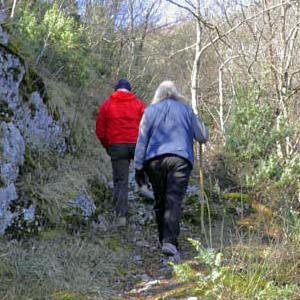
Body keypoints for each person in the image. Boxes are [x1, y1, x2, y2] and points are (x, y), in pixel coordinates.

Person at [134, 80, 209, 258]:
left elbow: (142, 140)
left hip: (154, 160)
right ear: (176, 93)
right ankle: (169, 241)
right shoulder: (186, 110)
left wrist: (138, 167)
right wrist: (200, 122)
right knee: (173, 199)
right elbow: (202, 136)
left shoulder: (150, 111)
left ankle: (165, 240)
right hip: (180, 159)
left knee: (160, 200)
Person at [96, 79, 145, 227]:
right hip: (136, 144)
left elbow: (100, 131)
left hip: (117, 146)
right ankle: (144, 187)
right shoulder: (139, 104)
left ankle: (121, 217)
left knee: (120, 182)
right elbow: (148, 125)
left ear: (116, 90)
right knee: (144, 167)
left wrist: (108, 146)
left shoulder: (107, 105)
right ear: (129, 90)